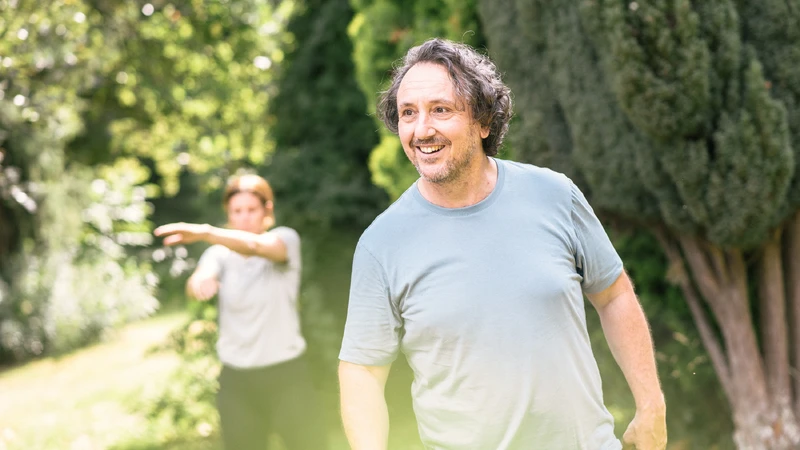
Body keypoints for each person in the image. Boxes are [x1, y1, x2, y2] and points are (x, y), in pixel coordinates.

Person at [338, 38, 667, 450]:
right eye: (408, 113)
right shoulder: (382, 243)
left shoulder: (555, 195)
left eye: (440, 109)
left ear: (483, 121)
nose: (421, 130)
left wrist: (651, 405)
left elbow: (614, 295)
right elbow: (363, 370)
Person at [154, 174, 328, 450]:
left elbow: (254, 246)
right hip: (237, 382)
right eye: (237, 211)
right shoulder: (219, 255)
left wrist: (206, 232)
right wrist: (200, 281)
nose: (244, 218)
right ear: (228, 214)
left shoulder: (284, 239)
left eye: (251, 210)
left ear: (267, 210)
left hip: (287, 376)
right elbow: (201, 276)